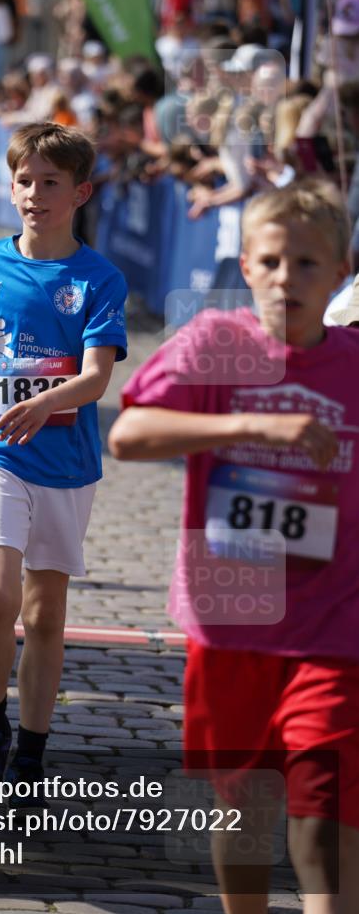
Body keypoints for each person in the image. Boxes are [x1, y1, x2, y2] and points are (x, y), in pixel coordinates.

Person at [109, 180, 359, 912]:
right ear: (246, 265)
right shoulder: (217, 343)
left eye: (309, 264)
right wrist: (250, 429)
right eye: (273, 262)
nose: (288, 279)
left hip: (333, 632)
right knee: (241, 816)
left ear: (343, 271)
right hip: (230, 626)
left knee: (324, 825)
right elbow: (128, 436)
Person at [0, 122, 128, 805]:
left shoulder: (98, 278)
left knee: (46, 614)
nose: (34, 194)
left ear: (79, 193)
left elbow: (98, 376)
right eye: (24, 180)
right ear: (9, 185)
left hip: (66, 462)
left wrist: (47, 400)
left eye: (50, 183)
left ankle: (31, 754)